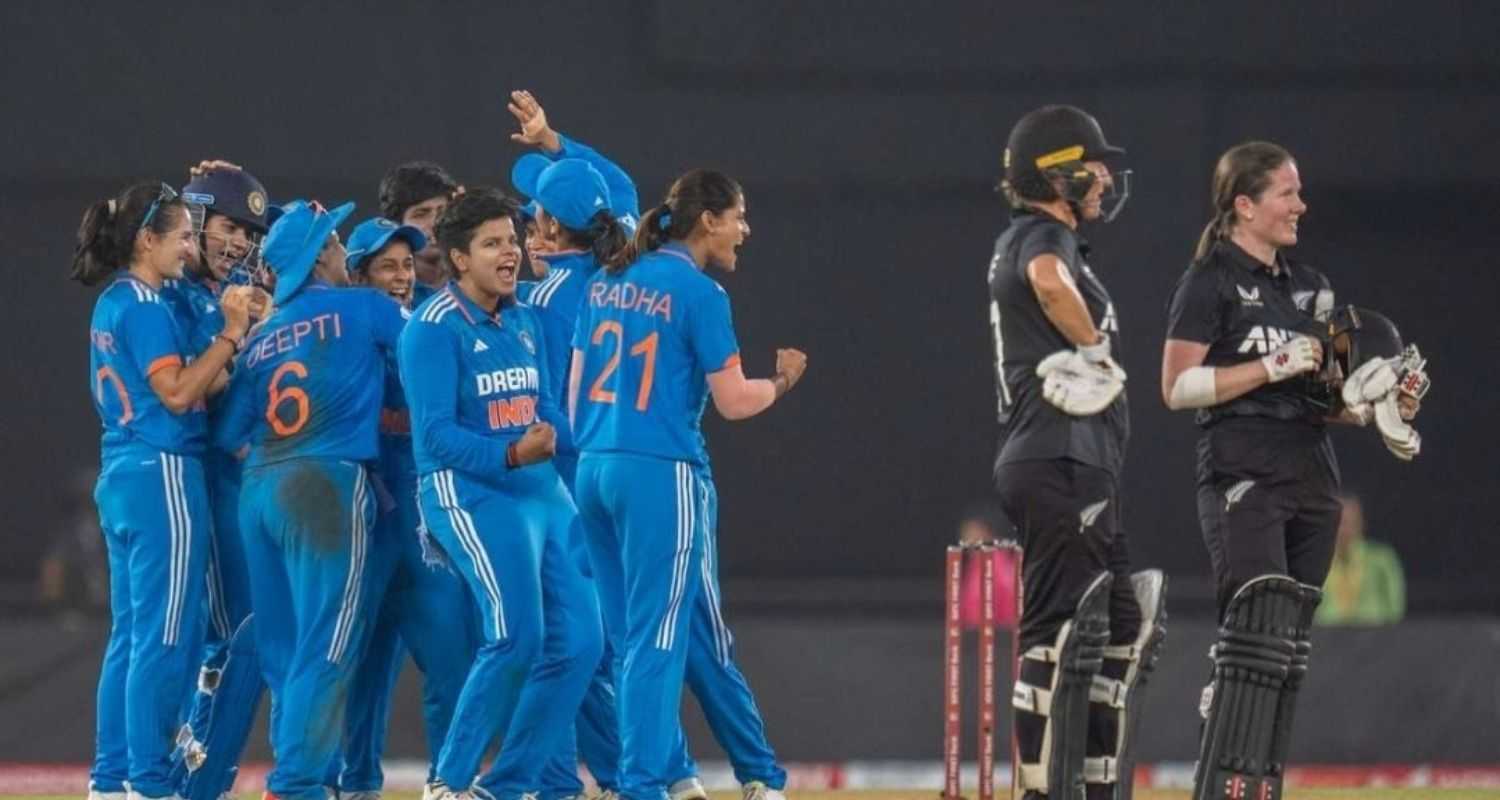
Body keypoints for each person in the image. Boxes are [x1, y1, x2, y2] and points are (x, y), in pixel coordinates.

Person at [1160, 141, 1428, 800]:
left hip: (1312, 475)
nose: (1300, 205)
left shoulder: (1311, 286)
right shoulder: (1209, 281)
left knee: (1286, 654)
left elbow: (1326, 397)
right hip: (1242, 470)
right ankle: (1221, 767)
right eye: (1287, 192)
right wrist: (1267, 367)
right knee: (1252, 642)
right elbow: (1175, 387)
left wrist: (1378, 403)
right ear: (1243, 205)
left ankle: (1262, 785)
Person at [569, 168, 807, 800]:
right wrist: (782, 383)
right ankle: (647, 785)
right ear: (708, 220)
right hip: (660, 474)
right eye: (739, 215)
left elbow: (571, 399)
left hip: (593, 467)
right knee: (660, 639)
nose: (745, 230)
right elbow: (733, 401)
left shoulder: (604, 282)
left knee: (642, 637)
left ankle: (744, 775)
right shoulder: (700, 294)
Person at [398, 188, 603, 800]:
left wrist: (595, 441)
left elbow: (543, 408)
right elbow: (433, 435)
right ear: (459, 258)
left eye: (512, 240)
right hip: (469, 492)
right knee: (517, 635)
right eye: (493, 244)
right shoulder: (431, 329)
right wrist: (511, 453)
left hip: (539, 490)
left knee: (584, 640)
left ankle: (508, 786)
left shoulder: (524, 317)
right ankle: (449, 783)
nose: (510, 253)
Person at [988, 106, 1165, 800]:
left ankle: (1092, 787)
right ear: (1057, 172)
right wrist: (1092, 346)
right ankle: (1038, 792)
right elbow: (1048, 282)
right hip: (1057, 456)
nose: (1106, 177)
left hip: (1074, 461)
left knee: (1122, 624)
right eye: (1094, 165)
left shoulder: (1035, 236)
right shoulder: (1040, 236)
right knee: (1054, 634)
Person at [212, 199, 404, 800]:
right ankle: (296, 786)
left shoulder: (266, 336)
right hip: (324, 484)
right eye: (337, 241)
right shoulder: (367, 307)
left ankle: (304, 778)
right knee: (331, 638)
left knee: (286, 651)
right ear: (322, 253)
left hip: (261, 488)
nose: (345, 250)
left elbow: (227, 435)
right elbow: (425, 364)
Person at [72, 180, 258, 800]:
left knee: (130, 637)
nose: (189, 247)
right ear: (146, 240)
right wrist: (232, 332)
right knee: (167, 638)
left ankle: (111, 777)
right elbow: (178, 392)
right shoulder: (148, 306)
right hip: (164, 476)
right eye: (180, 235)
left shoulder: (114, 300)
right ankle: (149, 783)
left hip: (121, 468)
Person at [337, 216, 479, 799]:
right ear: (358, 273)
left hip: (422, 519)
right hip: (361, 519)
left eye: (405, 264)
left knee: (453, 659)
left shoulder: (433, 321)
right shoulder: (341, 327)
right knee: (353, 666)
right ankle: (351, 785)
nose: (400, 277)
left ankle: (448, 785)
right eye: (386, 266)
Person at [164, 161, 277, 800]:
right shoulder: (175, 295)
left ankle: (196, 781)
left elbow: (297, 242)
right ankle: (190, 783)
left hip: (241, 484)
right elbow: (202, 394)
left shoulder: (218, 293)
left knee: (242, 639)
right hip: (206, 479)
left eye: (249, 231)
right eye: (229, 225)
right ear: (196, 219)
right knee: (229, 641)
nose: (239, 242)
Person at [379, 161, 463, 304]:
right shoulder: (388, 291)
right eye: (421, 214)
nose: (435, 223)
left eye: (443, 211)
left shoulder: (477, 279)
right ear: (397, 226)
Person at [1315, 494, 1406, 625]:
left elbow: (1396, 608)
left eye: (1350, 522)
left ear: (1361, 522)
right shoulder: (1316, 560)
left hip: (1376, 638)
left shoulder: (1382, 560)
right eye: (1339, 522)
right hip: (1324, 638)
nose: (1344, 529)